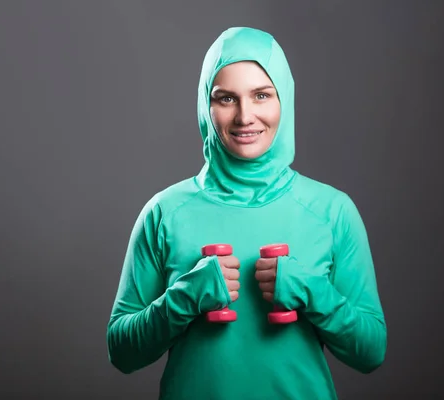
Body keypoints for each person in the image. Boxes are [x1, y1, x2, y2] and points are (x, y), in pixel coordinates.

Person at [106, 26, 387, 399]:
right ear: (206, 106)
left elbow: (370, 352)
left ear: (283, 98)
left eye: (261, 95)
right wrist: (182, 299)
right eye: (226, 99)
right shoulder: (164, 212)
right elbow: (122, 353)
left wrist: (314, 294)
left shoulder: (332, 212)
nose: (245, 116)